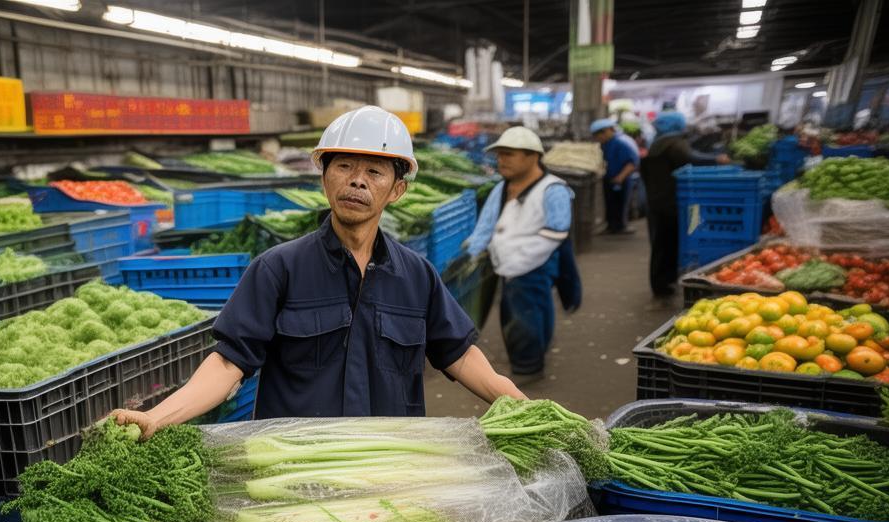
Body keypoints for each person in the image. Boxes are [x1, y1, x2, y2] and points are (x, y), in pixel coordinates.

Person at [113, 106, 525, 437]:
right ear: (324, 177)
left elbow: (460, 354)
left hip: (392, 464)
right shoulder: (278, 269)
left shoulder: (416, 276)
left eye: (375, 172)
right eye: (344, 166)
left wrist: (524, 407)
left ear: (396, 190)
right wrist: (158, 416)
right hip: (298, 470)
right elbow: (227, 364)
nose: (357, 182)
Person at [463, 126, 582, 379]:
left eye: (508, 154)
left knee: (528, 314)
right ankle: (529, 358)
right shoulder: (502, 188)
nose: (501, 160)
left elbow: (556, 234)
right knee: (518, 312)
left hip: (535, 264)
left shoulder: (553, 190)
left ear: (532, 156)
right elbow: (487, 224)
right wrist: (472, 250)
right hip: (508, 265)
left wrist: (518, 261)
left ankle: (529, 367)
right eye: (499, 155)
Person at [639, 110, 729, 299]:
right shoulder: (673, 143)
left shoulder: (659, 142)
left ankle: (663, 281)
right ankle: (661, 284)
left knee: (662, 243)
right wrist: (716, 159)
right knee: (665, 243)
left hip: (658, 200)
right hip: (668, 202)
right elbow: (691, 158)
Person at [591, 117, 641, 234]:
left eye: (599, 135)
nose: (598, 138)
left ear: (608, 130)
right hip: (610, 178)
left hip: (621, 179)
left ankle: (621, 226)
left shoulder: (621, 142)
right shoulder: (608, 143)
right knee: (611, 204)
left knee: (621, 203)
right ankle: (612, 226)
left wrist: (621, 177)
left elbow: (632, 162)